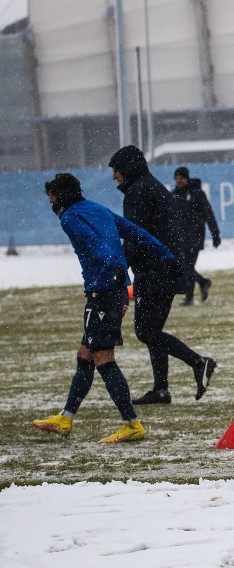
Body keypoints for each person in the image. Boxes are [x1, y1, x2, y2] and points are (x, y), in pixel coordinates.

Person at [32, 174, 177, 442]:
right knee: (85, 353)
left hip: (105, 291)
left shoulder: (70, 218)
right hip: (112, 289)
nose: (50, 202)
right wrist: (165, 254)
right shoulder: (96, 208)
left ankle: (131, 423)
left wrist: (116, 269)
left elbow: (95, 244)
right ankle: (66, 417)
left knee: (102, 356)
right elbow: (134, 231)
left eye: (51, 196)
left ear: (59, 195)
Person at [108, 146, 217, 404]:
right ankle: (161, 389)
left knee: (146, 331)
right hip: (167, 269)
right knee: (153, 330)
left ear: (127, 169)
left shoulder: (137, 193)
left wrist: (121, 270)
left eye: (116, 170)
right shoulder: (153, 187)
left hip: (155, 271)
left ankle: (199, 362)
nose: (114, 177)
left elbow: (136, 236)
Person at [173, 166, 221, 305]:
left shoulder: (197, 194)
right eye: (176, 179)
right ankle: (201, 284)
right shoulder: (174, 194)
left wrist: (215, 234)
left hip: (195, 236)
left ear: (186, 178)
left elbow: (208, 214)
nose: (178, 181)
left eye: (181, 178)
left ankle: (192, 294)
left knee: (187, 266)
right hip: (180, 237)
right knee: (186, 266)